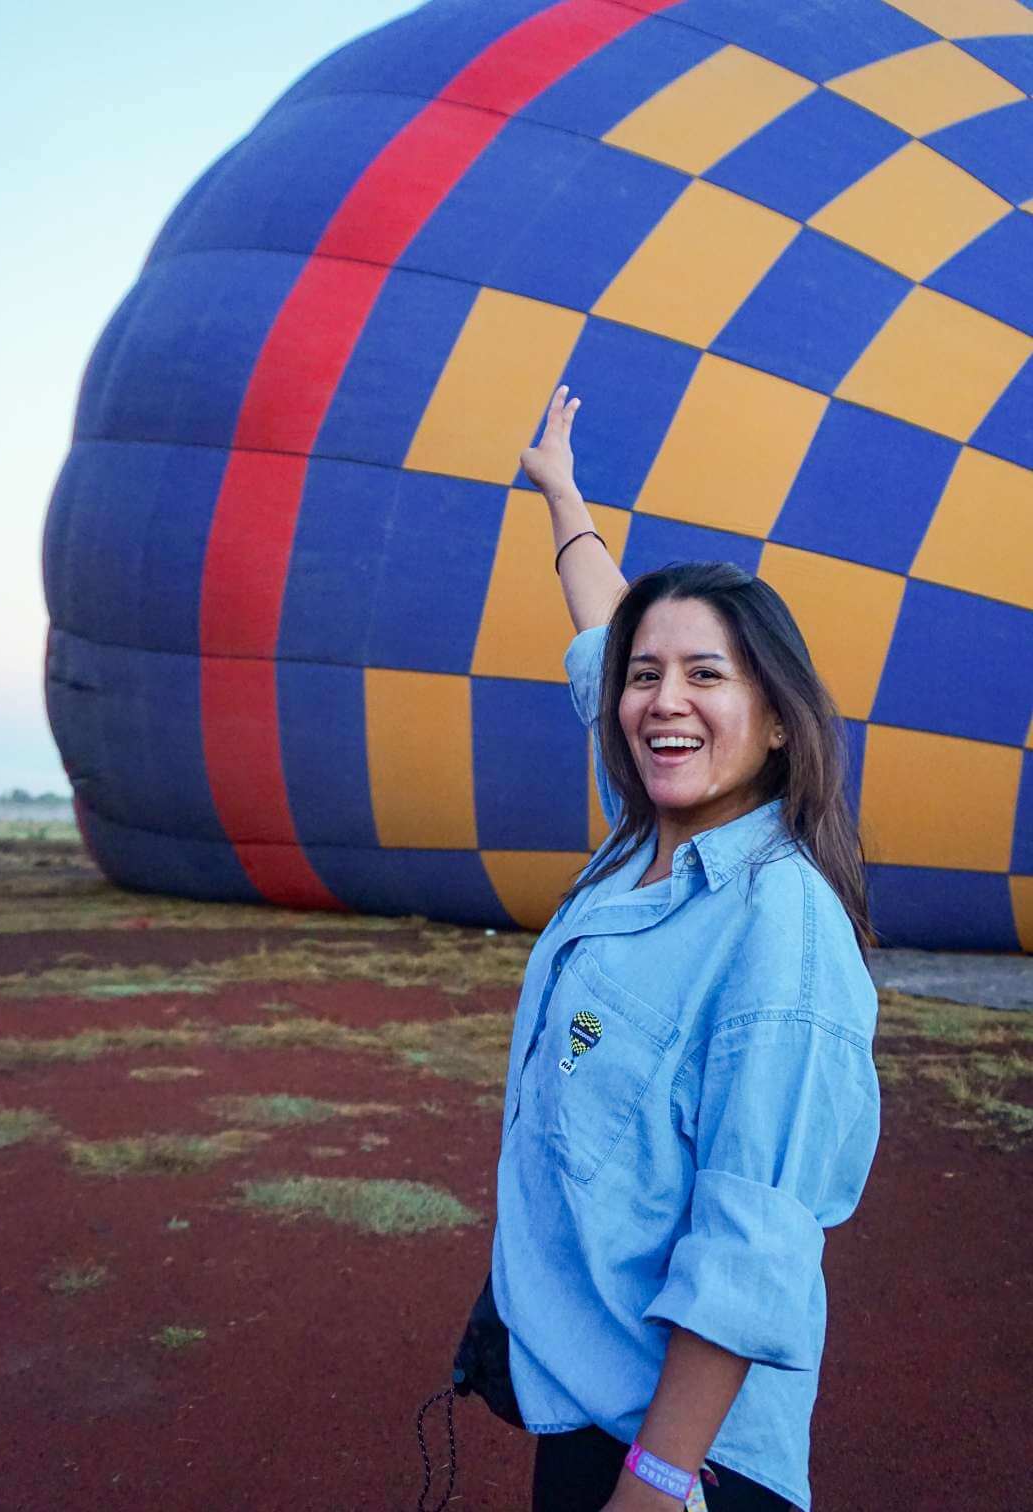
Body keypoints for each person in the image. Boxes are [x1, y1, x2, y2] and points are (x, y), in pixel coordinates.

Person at [482, 386, 881, 1512]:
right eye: (646, 677)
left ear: (776, 718)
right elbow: (604, 633)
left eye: (708, 675)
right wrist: (562, 496)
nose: (666, 699)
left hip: (680, 1455)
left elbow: (754, 1244)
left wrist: (656, 1481)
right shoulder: (643, 839)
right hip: (589, 1394)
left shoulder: (780, 923)